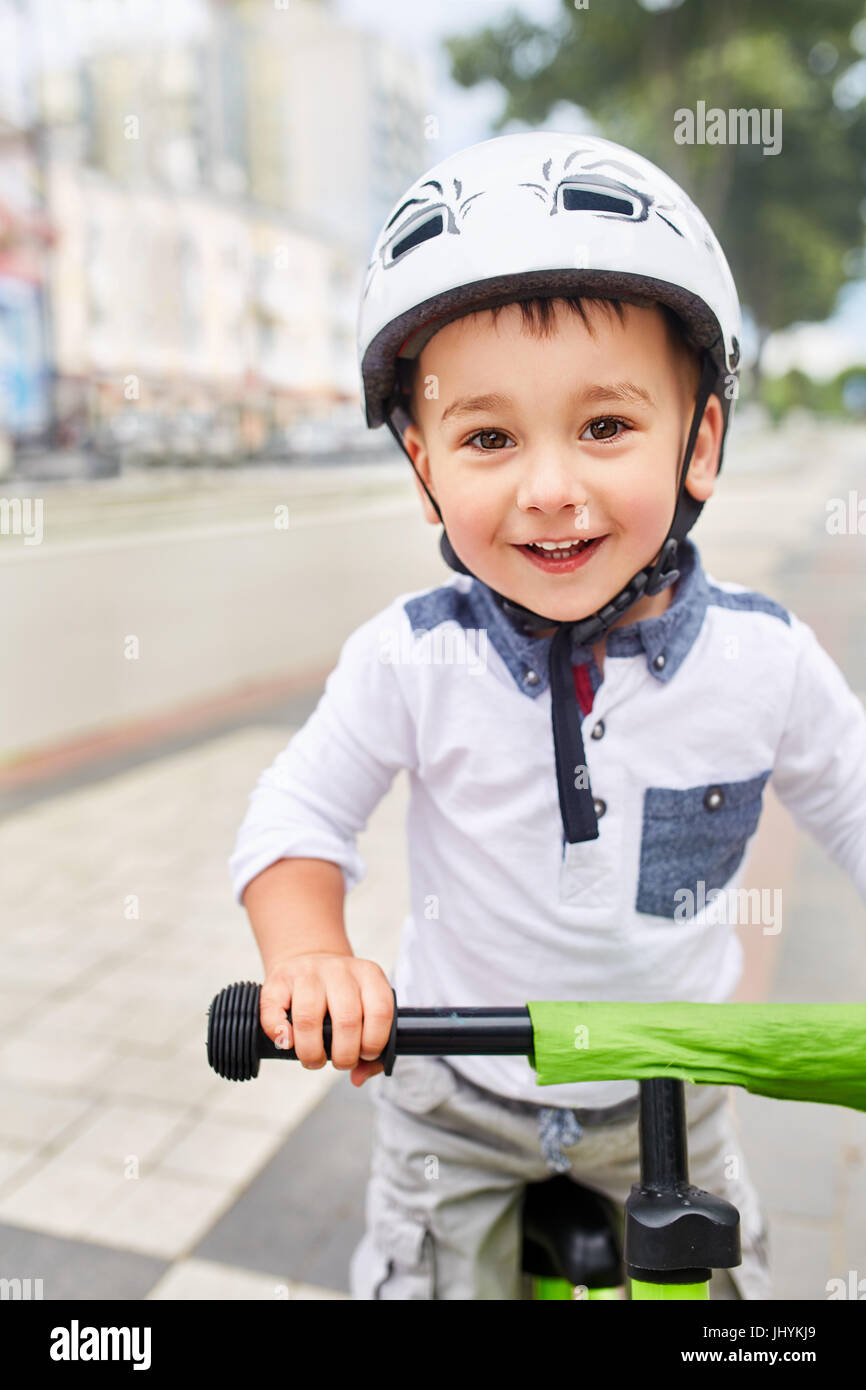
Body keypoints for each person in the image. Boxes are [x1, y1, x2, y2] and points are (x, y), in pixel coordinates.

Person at [228, 132, 866, 1300]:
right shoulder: (412, 659)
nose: (549, 487)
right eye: (486, 438)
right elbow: (295, 811)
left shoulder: (764, 661)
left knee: (736, 1306)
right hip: (454, 1094)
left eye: (606, 427)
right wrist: (312, 953)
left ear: (701, 442)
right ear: (424, 469)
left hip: (673, 1084)